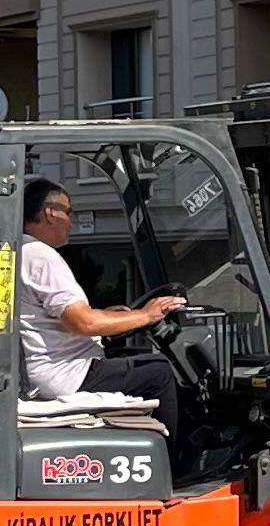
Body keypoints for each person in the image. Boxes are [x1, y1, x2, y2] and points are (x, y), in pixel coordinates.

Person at [18, 177, 187, 446]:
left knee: (130, 359)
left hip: (49, 371)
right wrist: (146, 315)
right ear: (51, 213)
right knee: (159, 370)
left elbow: (63, 317)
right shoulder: (40, 255)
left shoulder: (19, 251)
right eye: (68, 212)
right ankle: (179, 463)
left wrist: (112, 316)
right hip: (68, 374)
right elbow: (82, 323)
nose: (70, 221)